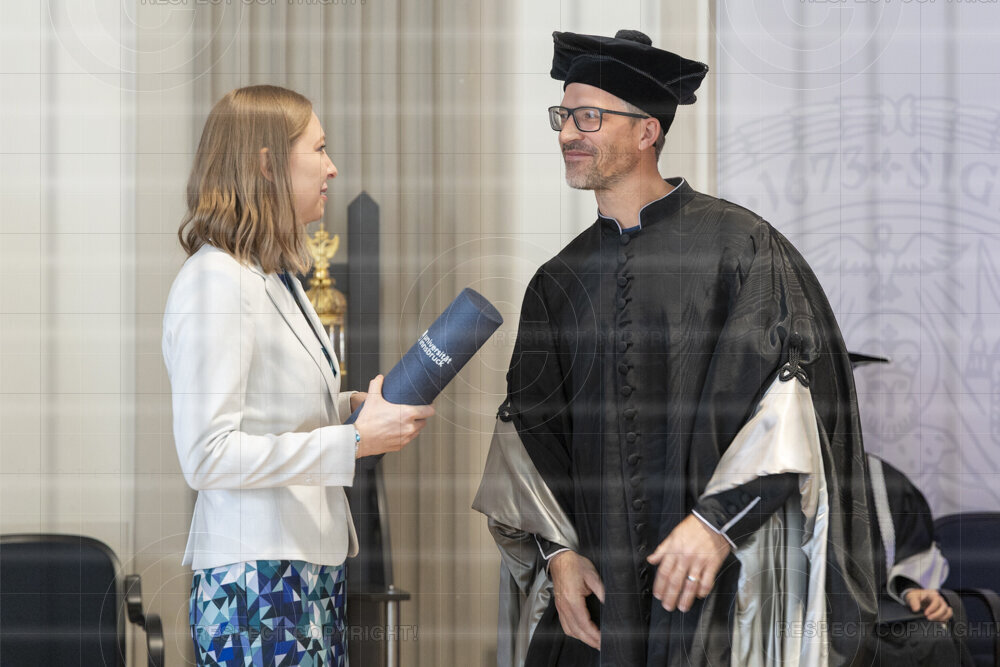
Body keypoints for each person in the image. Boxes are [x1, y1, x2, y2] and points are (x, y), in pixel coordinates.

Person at [473, 30, 878, 666]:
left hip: (719, 588)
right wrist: (558, 554)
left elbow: (793, 404)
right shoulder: (558, 281)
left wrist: (718, 521)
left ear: (647, 131)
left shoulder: (741, 249)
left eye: (589, 117)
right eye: (564, 116)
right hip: (602, 599)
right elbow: (531, 431)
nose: (568, 133)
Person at [162, 85, 434, 666]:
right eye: (319, 149)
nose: (332, 168)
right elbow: (207, 455)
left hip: (301, 569)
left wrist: (351, 407)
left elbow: (270, 410)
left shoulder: (274, 275)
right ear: (267, 165)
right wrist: (352, 442)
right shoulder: (216, 282)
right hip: (254, 582)